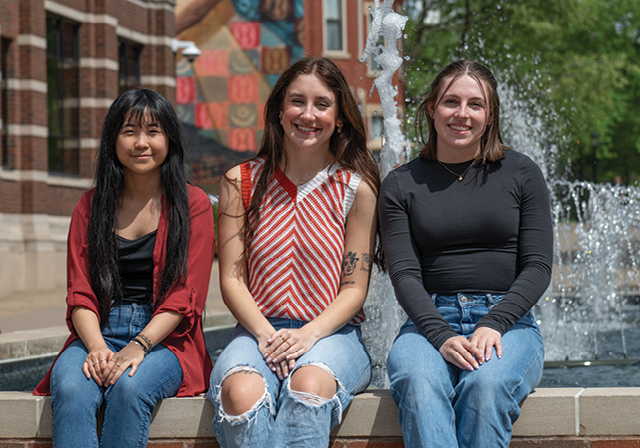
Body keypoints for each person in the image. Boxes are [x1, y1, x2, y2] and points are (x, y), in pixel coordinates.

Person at [379, 60, 553, 448]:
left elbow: (538, 266)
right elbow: (404, 274)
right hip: (427, 324)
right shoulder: (400, 183)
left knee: (485, 386)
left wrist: (493, 322)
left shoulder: (522, 173)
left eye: (475, 104)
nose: (462, 114)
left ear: (489, 116)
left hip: (509, 323)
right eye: (451, 102)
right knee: (417, 381)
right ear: (431, 108)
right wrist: (440, 334)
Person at [208, 56, 380, 447]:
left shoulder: (357, 189)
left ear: (339, 118)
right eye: (296, 102)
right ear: (279, 112)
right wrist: (269, 337)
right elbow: (232, 279)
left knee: (308, 384)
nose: (308, 114)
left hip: (332, 335)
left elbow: (354, 290)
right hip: (257, 330)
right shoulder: (241, 182)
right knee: (241, 394)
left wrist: (307, 336)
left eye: (322, 104)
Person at [33, 88, 215, 448]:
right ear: (113, 140)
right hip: (98, 330)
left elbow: (185, 295)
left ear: (170, 139)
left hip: (166, 340)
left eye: (153, 131)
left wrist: (139, 345)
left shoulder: (193, 204)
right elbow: (80, 292)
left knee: (129, 388)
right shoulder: (90, 205)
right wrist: (98, 347)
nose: (141, 143)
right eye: (129, 131)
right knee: (71, 388)